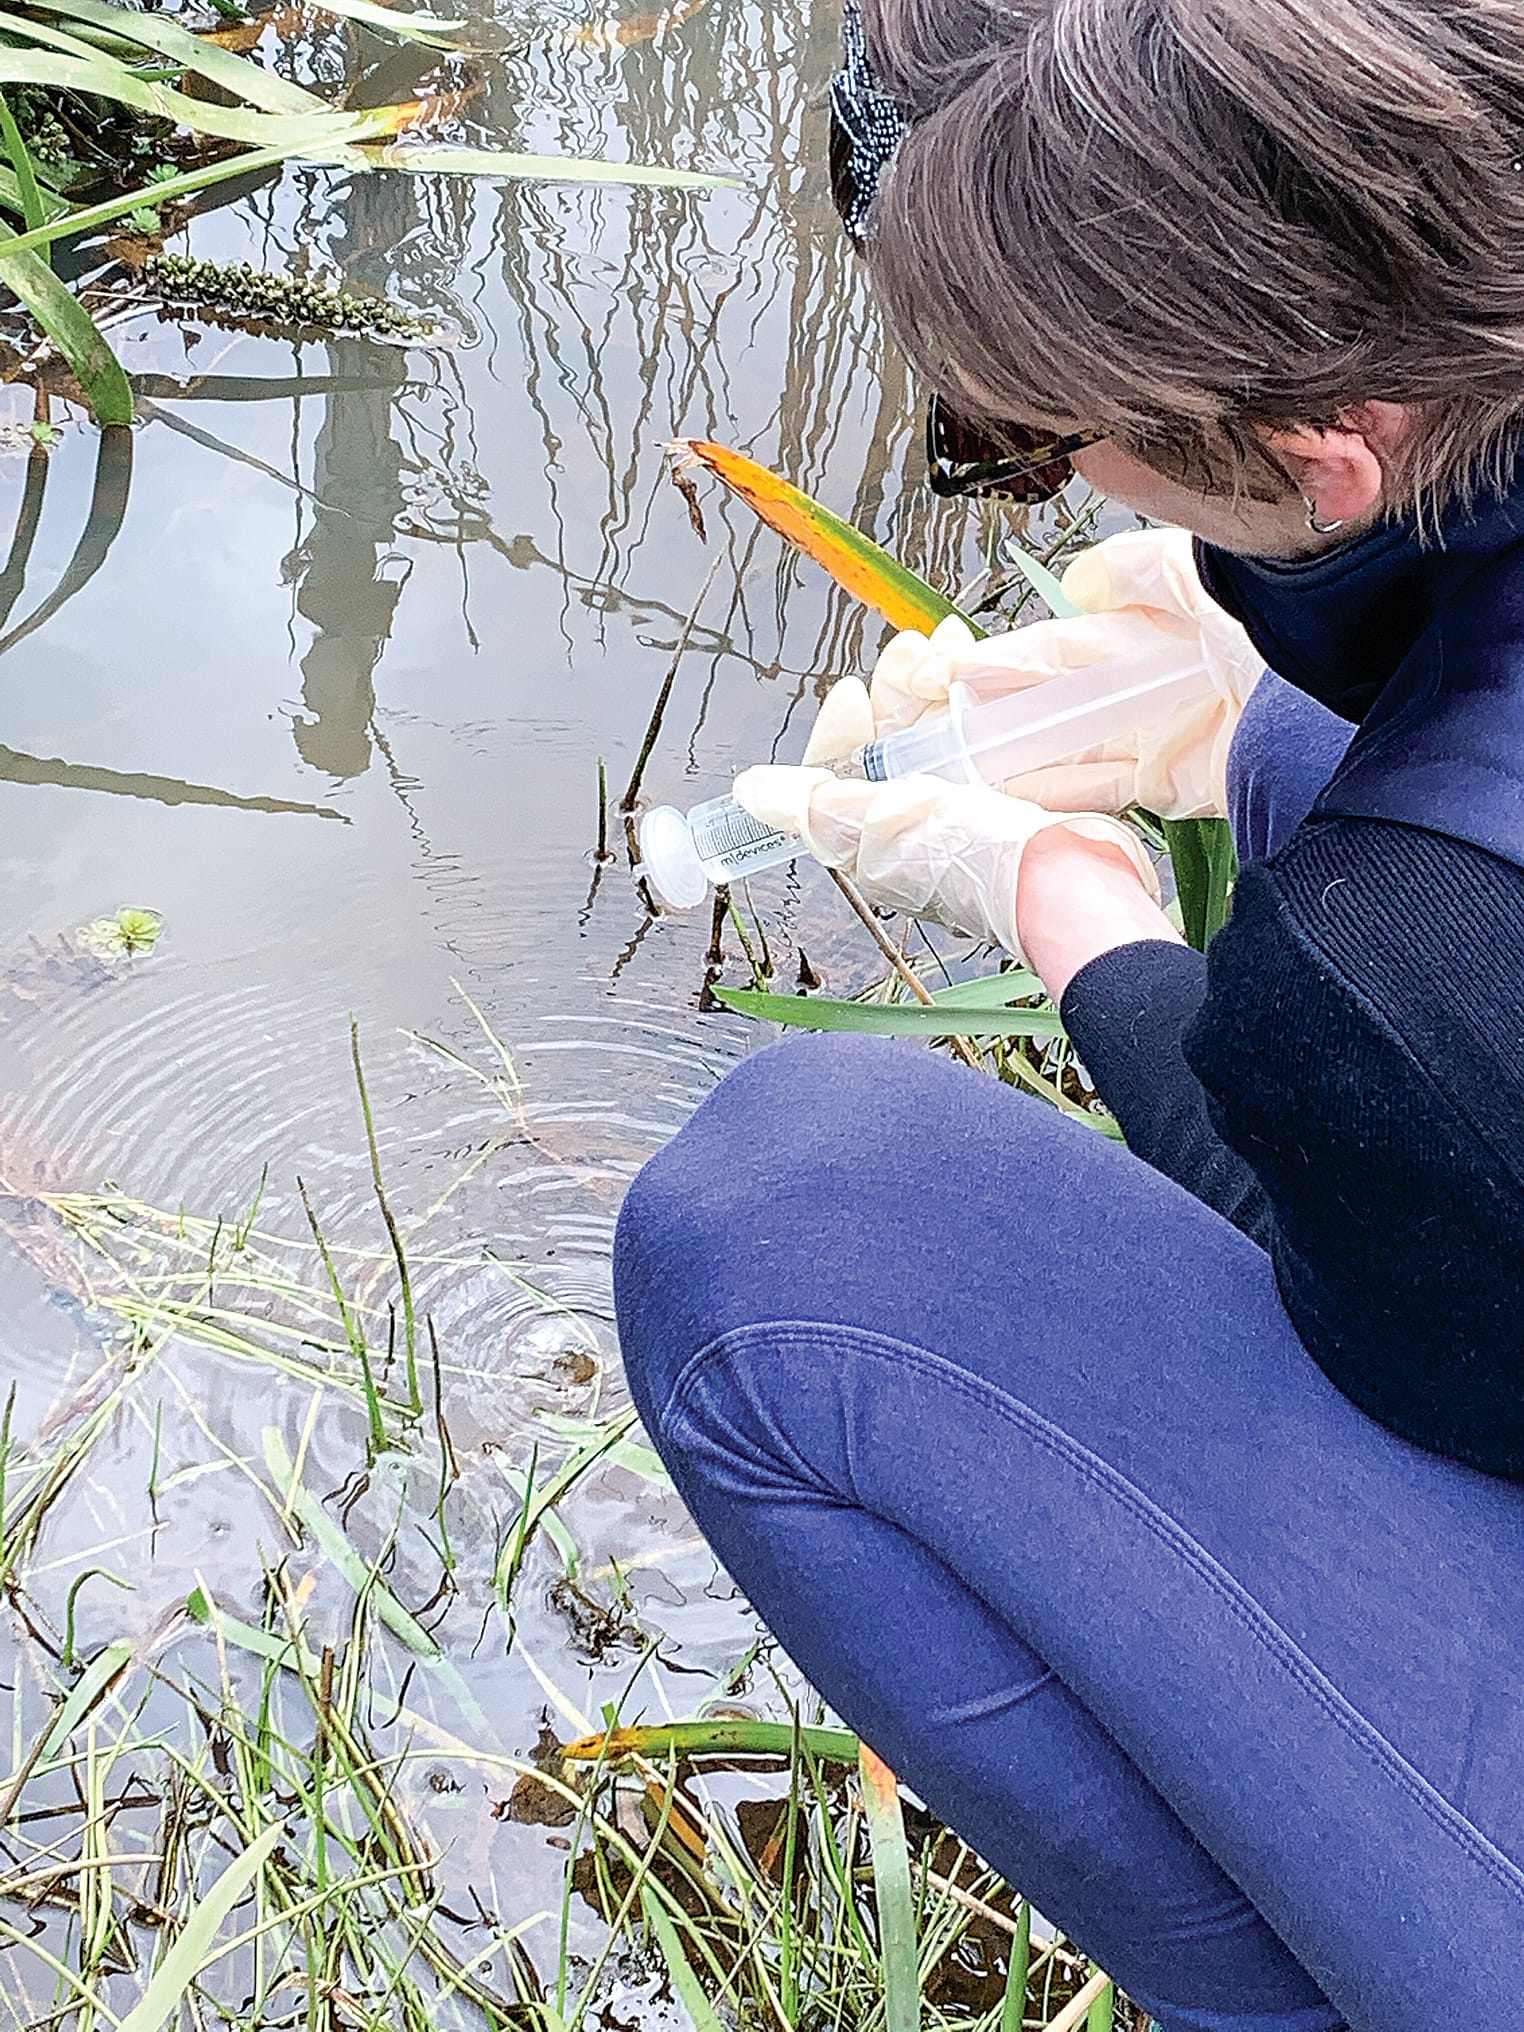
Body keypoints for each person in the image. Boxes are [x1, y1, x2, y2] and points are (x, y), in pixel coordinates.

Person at [613, 1, 1524, 2025]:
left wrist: (1077, 915)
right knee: (1298, 762)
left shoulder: (1412, 971)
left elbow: (1348, 1262)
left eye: (1015, 447)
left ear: (1327, 450)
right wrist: (1270, 665)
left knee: (780, 1230)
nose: (1033, 490)